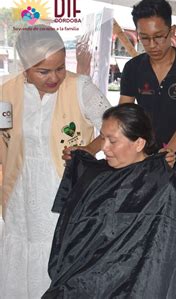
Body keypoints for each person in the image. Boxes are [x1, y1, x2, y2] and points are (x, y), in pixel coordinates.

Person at [43, 103, 176, 298]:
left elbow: (168, 259)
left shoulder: (165, 188)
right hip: (89, 282)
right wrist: (79, 160)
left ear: (139, 143)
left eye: (112, 141)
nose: (104, 148)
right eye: (103, 138)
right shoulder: (96, 177)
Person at [0, 25, 111, 298]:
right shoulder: (6, 92)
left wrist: (88, 149)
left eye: (60, 68)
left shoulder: (80, 88)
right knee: (20, 249)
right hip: (19, 192)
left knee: (57, 250)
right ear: (24, 66)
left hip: (62, 191)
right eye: (43, 71)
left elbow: (115, 126)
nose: (55, 77)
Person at [119, 0, 176, 207]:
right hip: (143, 160)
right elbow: (123, 115)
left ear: (172, 31)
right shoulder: (133, 68)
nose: (152, 45)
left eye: (159, 37)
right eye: (144, 38)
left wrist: (168, 151)